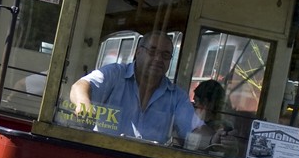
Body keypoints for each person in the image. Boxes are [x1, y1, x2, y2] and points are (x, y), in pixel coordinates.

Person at [68, 30, 196, 144]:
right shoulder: (115, 74)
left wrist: (212, 139)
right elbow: (80, 86)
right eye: (152, 52)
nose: (158, 59)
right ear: (138, 52)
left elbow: (194, 130)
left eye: (165, 55)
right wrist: (83, 104)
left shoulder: (177, 96)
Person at [185, 79, 231, 151]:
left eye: (196, 101)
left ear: (205, 103)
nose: (194, 106)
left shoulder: (225, 129)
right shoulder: (195, 121)